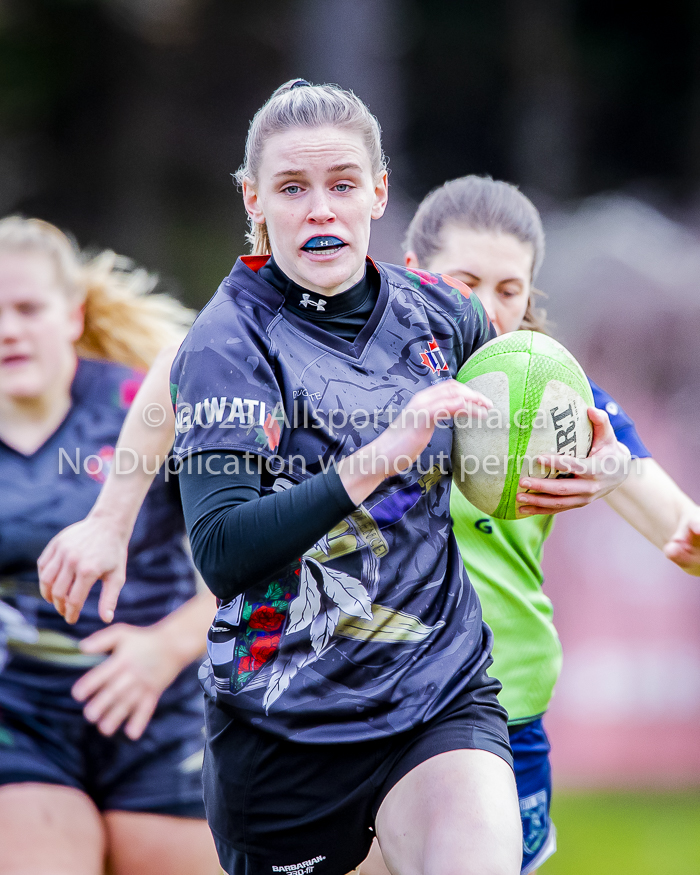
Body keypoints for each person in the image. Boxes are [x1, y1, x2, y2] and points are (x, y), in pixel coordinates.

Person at [37, 80, 632, 875]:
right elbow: (223, 551)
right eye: (292, 188)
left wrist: (591, 467)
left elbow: (514, 434)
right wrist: (383, 452)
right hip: (288, 736)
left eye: (342, 184)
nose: (320, 209)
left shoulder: (440, 316)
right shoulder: (230, 344)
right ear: (254, 200)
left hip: (438, 694)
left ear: (378, 191)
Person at [354, 174, 700, 875]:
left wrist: (630, 484)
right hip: (373, 713)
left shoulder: (565, 399)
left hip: (507, 718)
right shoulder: (353, 387)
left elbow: (679, 530)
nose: (488, 306)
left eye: (510, 289)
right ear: (416, 277)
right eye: (466, 280)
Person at [0, 216, 221, 875]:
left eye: (28, 308)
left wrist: (165, 648)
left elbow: (254, 561)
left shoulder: (145, 406)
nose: (9, 328)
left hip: (162, 709)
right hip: (20, 719)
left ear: (73, 314)